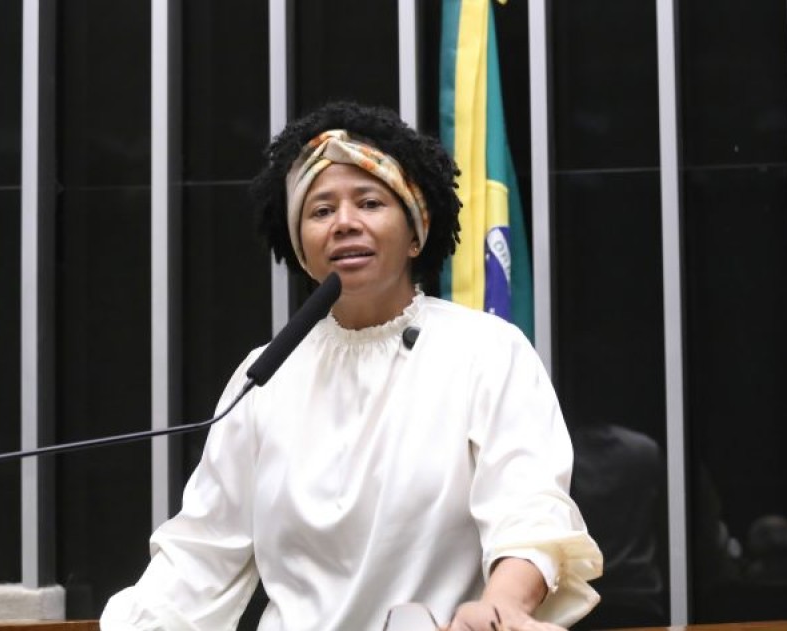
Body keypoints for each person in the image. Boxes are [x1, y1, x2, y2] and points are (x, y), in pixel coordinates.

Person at [101, 102, 602, 631]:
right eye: (321, 211)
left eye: (369, 202)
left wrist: (501, 608)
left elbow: (528, 512)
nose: (344, 223)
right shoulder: (265, 375)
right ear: (301, 247)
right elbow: (202, 555)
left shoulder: (486, 350)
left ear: (415, 233)